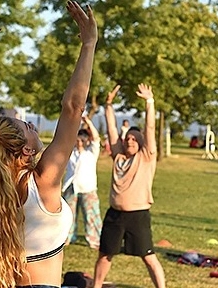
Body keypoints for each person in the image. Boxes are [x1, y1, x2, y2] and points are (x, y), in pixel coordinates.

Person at [0, 2, 98, 287]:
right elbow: (73, 108)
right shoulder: (43, 182)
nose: (32, 125)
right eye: (27, 127)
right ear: (27, 151)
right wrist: (89, 43)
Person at [93, 84, 165, 288]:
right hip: (115, 215)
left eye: (134, 139)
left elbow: (150, 128)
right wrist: (108, 105)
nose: (130, 141)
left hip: (138, 215)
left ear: (141, 142)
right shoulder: (119, 156)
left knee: (148, 257)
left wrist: (149, 102)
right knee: (105, 255)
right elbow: (111, 128)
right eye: (128, 139)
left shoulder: (146, 156)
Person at [62, 116, 102, 249]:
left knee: (91, 215)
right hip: (71, 186)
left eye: (82, 140)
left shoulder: (91, 152)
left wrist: (88, 122)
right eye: (77, 140)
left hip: (87, 188)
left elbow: (96, 139)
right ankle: (67, 237)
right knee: (68, 215)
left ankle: (94, 239)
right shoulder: (70, 153)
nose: (79, 142)